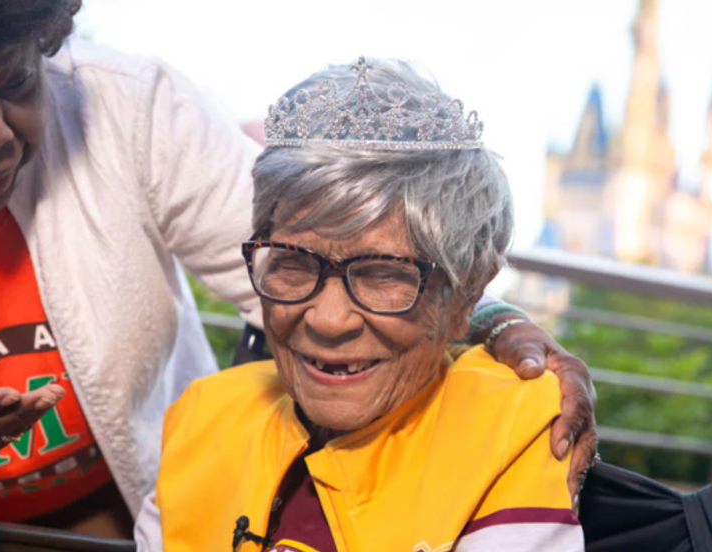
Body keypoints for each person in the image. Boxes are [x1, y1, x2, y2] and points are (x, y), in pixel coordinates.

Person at [0, 1, 597, 549]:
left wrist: (489, 317)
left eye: (18, 80)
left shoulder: (126, 112)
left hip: (112, 516)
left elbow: (327, 247)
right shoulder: (211, 429)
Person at [134, 58, 585, 552]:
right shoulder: (203, 416)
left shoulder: (512, 424)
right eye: (294, 262)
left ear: (468, 295)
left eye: (383, 274)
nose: (328, 320)